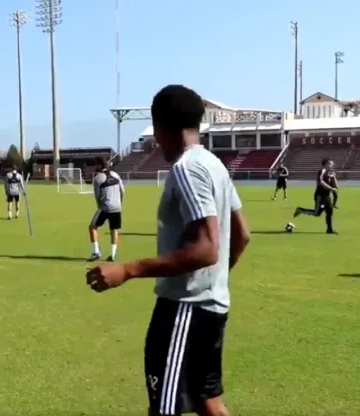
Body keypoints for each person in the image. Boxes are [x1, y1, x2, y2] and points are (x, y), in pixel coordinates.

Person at [85, 85, 251, 416]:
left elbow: (206, 249)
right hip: (211, 308)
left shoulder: (187, 168)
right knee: (209, 402)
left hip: (184, 311)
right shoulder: (214, 164)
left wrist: (128, 269)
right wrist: (214, 283)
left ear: (160, 126)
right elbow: (242, 235)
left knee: (164, 407)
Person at [88, 157, 125, 261]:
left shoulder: (98, 178)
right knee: (114, 229)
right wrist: (119, 203)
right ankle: (113, 255)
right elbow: (122, 191)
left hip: (105, 207)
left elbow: (97, 196)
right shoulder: (115, 175)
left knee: (92, 227)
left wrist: (100, 206)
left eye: (96, 165)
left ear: (99, 165)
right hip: (117, 207)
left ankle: (96, 252)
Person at [292, 158, 338, 234]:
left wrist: (334, 177)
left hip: (326, 196)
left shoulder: (330, 173)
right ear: (326, 164)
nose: (332, 165)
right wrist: (330, 188)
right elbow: (320, 182)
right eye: (330, 163)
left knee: (329, 212)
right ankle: (301, 210)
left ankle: (329, 230)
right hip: (320, 196)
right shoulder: (322, 171)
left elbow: (335, 185)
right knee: (317, 213)